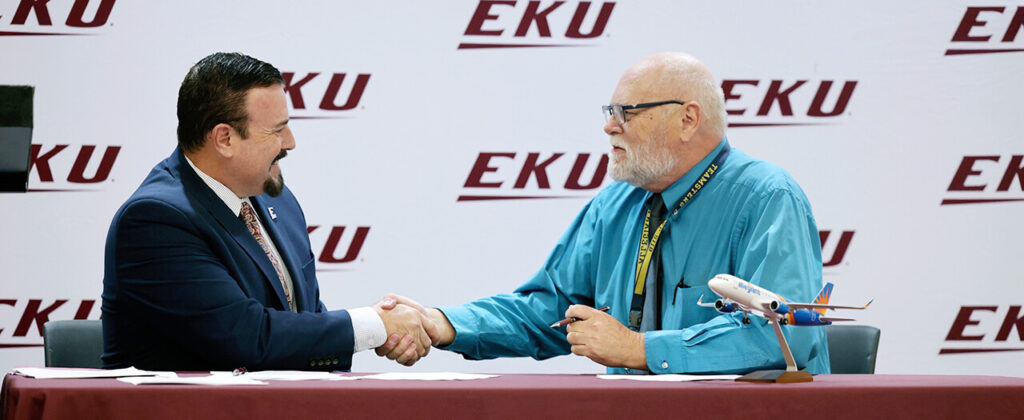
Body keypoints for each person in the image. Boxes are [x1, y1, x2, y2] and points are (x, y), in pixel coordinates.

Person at [387, 52, 830, 374]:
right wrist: (444, 323)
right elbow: (551, 308)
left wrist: (639, 349)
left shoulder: (768, 197)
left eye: (627, 112)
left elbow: (785, 333)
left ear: (688, 120)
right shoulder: (615, 203)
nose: (609, 125)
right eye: (610, 111)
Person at [101, 52, 435, 371]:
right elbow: (247, 337)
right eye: (276, 130)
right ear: (224, 139)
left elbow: (304, 318)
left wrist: (381, 331)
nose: (290, 142)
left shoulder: (278, 200)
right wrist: (374, 324)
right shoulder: (155, 219)